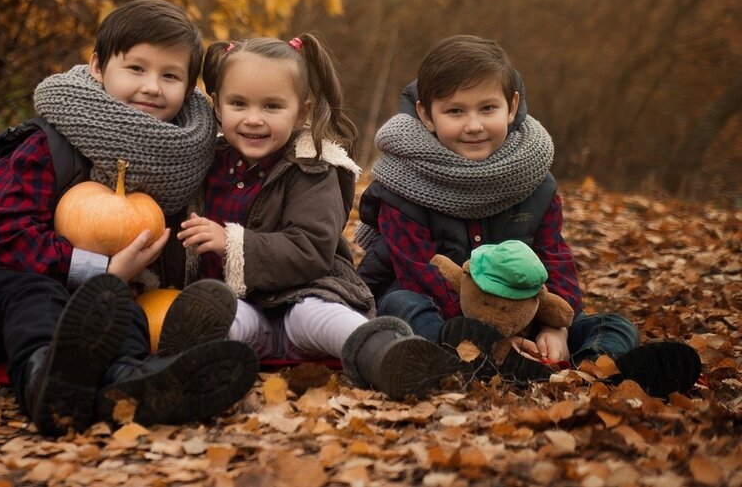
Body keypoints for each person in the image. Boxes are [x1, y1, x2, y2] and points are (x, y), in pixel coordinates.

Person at [0, 0, 259, 436]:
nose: (153, 87)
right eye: (136, 69)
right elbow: (3, 232)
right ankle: (46, 386)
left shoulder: (180, 160)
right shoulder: (51, 142)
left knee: (115, 305)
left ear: (189, 87)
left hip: (77, 302)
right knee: (39, 296)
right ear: (99, 67)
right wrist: (101, 270)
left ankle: (131, 383)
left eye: (170, 75)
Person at [356, 34, 701, 397]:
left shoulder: (534, 182)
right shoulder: (403, 184)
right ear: (426, 114)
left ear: (511, 105)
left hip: (525, 310)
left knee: (612, 325)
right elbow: (417, 270)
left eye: (487, 108)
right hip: (443, 311)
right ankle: (474, 361)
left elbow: (554, 255)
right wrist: (496, 337)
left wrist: (557, 328)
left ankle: (601, 373)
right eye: (455, 111)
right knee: (400, 305)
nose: (473, 125)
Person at [162, 34, 464, 400]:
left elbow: (312, 249)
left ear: (302, 112)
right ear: (217, 105)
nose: (253, 119)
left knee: (322, 318)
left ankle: (388, 355)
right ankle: (201, 375)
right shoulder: (206, 161)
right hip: (239, 305)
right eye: (238, 103)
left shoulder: (313, 166)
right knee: (215, 318)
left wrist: (232, 242)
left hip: (304, 294)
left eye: (272, 107)